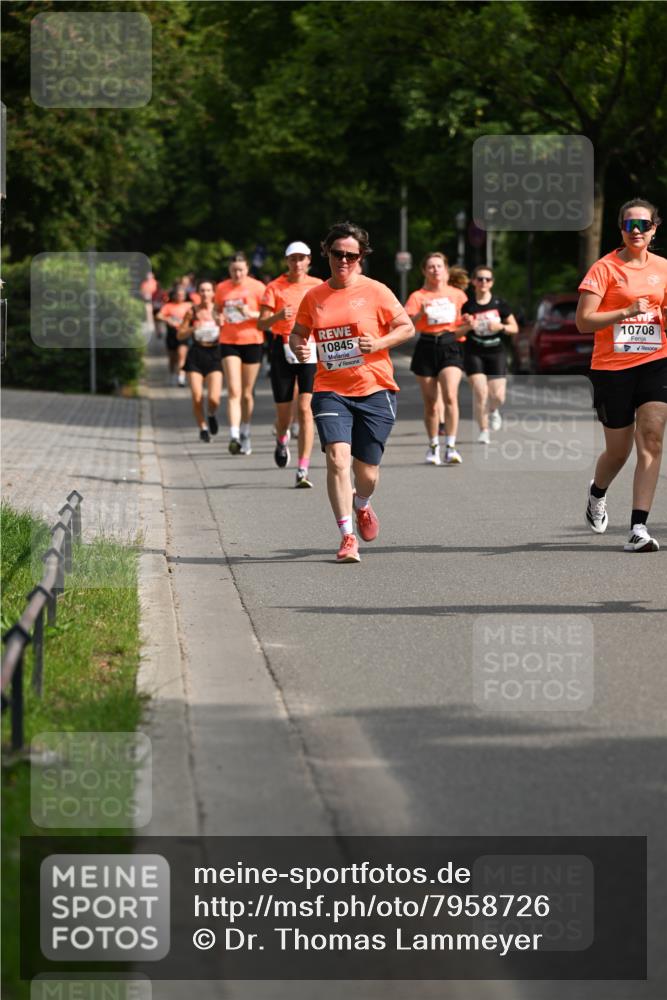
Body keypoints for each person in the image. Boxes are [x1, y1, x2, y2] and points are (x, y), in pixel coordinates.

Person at [289, 221, 414, 563]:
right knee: (337, 459)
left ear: (361, 257)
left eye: (351, 255)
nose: (343, 260)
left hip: (375, 388)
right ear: (326, 253)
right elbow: (298, 333)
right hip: (331, 389)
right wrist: (299, 347)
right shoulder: (313, 297)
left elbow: (406, 327)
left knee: (367, 473)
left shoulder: (376, 291)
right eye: (337, 254)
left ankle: (362, 503)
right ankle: (346, 536)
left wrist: (379, 342)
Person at [577, 198, 667, 552]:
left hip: (656, 361)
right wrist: (626, 310)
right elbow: (584, 322)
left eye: (643, 225)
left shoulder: (663, 268)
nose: (636, 231)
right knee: (618, 451)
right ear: (621, 229)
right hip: (612, 368)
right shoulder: (604, 268)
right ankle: (597, 493)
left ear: (654, 229)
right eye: (630, 225)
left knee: (652, 439)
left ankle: (638, 528)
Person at [258, 241, 322, 487]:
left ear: (308, 261)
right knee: (284, 416)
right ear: (287, 261)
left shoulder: (318, 286)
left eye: (301, 258)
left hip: (309, 347)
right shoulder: (274, 287)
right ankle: (282, 436)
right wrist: (276, 316)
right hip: (281, 348)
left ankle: (302, 469)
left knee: (306, 409)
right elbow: (260, 325)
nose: (297, 263)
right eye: (292, 259)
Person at [406, 253, 468, 465]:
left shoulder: (457, 295)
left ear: (446, 270)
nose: (435, 270)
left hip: (450, 344)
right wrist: (420, 314)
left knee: (450, 395)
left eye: (439, 266)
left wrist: (468, 322)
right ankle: (433, 445)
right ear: (424, 271)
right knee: (431, 403)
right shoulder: (417, 296)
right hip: (426, 345)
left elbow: (464, 323)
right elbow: (407, 327)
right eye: (430, 267)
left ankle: (451, 446)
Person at [215, 253, 266, 455]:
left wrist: (250, 314)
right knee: (234, 391)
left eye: (241, 270)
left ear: (247, 270)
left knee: (246, 393)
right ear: (229, 270)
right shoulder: (222, 288)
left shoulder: (258, 287)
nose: (237, 273)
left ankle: (245, 429)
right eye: (234, 270)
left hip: (252, 340)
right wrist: (218, 317)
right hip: (229, 341)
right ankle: (234, 435)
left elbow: (268, 314)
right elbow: (217, 310)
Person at [461, 266, 518, 443]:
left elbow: (514, 328)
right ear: (473, 282)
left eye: (487, 279)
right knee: (480, 392)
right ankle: (483, 430)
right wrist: (467, 326)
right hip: (474, 351)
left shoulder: (500, 304)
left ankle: (493, 411)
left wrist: (500, 327)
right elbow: (456, 333)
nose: (483, 282)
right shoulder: (468, 306)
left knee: (498, 396)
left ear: (492, 282)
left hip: (496, 352)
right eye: (479, 279)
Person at [177, 280, 223, 443]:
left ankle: (210, 414)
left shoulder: (219, 311)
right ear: (198, 293)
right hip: (196, 355)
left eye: (208, 290)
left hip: (214, 354)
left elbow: (228, 331)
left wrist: (222, 325)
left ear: (213, 293)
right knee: (197, 396)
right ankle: (203, 428)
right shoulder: (192, 312)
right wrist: (192, 329)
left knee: (214, 398)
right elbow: (180, 335)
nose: (205, 293)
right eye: (202, 290)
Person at [156, 285, 192, 386]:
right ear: (174, 295)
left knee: (182, 356)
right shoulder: (168, 306)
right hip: (172, 334)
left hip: (184, 334)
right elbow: (158, 315)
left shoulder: (189, 305)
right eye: (178, 295)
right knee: (172, 358)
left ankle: (181, 377)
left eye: (182, 295)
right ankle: (172, 375)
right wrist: (168, 319)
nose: (180, 296)